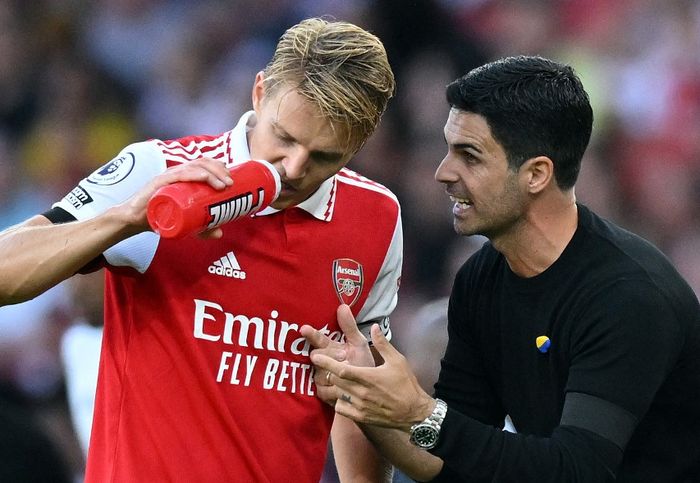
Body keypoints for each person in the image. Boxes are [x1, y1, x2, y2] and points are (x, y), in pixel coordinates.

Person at [0, 17, 402, 483]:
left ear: (360, 143)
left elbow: (361, 395)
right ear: (259, 92)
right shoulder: (161, 171)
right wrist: (128, 217)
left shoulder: (376, 217)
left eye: (325, 156)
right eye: (284, 138)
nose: (293, 168)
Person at [301, 55, 700, 482]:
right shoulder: (481, 280)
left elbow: (578, 471)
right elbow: (451, 462)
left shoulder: (628, 295)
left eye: (468, 156)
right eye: (447, 149)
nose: (442, 172)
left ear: (536, 174)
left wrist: (420, 412)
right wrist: (368, 395)